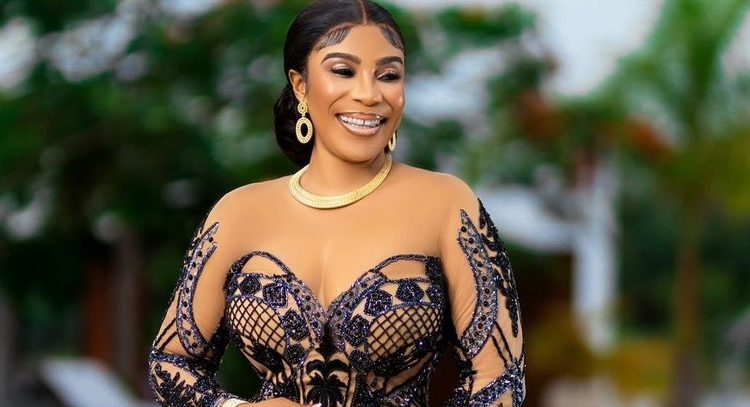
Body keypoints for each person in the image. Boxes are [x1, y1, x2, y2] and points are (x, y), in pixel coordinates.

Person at [146, 1, 525, 406]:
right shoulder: (238, 212)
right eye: (344, 71)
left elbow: (499, 378)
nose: (369, 94)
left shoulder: (448, 205)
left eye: (389, 75)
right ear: (300, 85)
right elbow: (170, 361)